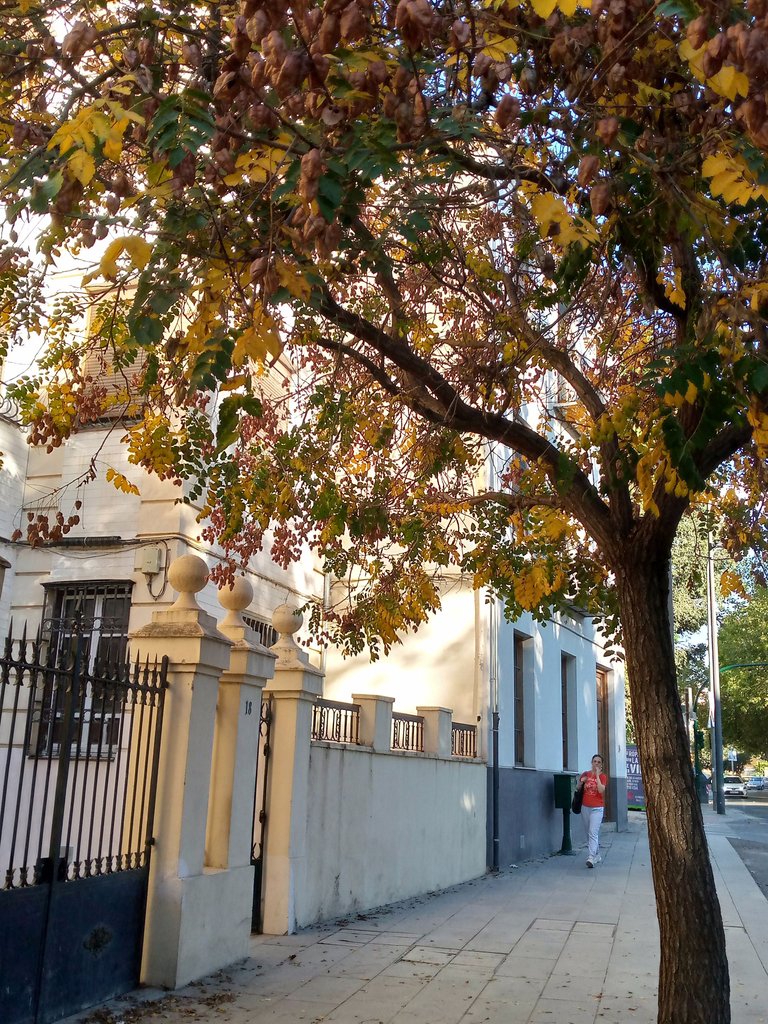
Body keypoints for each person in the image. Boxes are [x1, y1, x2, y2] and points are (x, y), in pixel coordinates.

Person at [577, 754, 607, 868]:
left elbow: (600, 790)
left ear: (601, 764)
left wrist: (598, 776)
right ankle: (597, 854)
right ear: (592, 762)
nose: (597, 764)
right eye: (595, 761)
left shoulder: (603, 777)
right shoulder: (586, 774)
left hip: (597, 808)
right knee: (588, 833)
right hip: (585, 807)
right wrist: (582, 782)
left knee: (593, 832)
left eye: (599, 762)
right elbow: (577, 788)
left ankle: (591, 857)